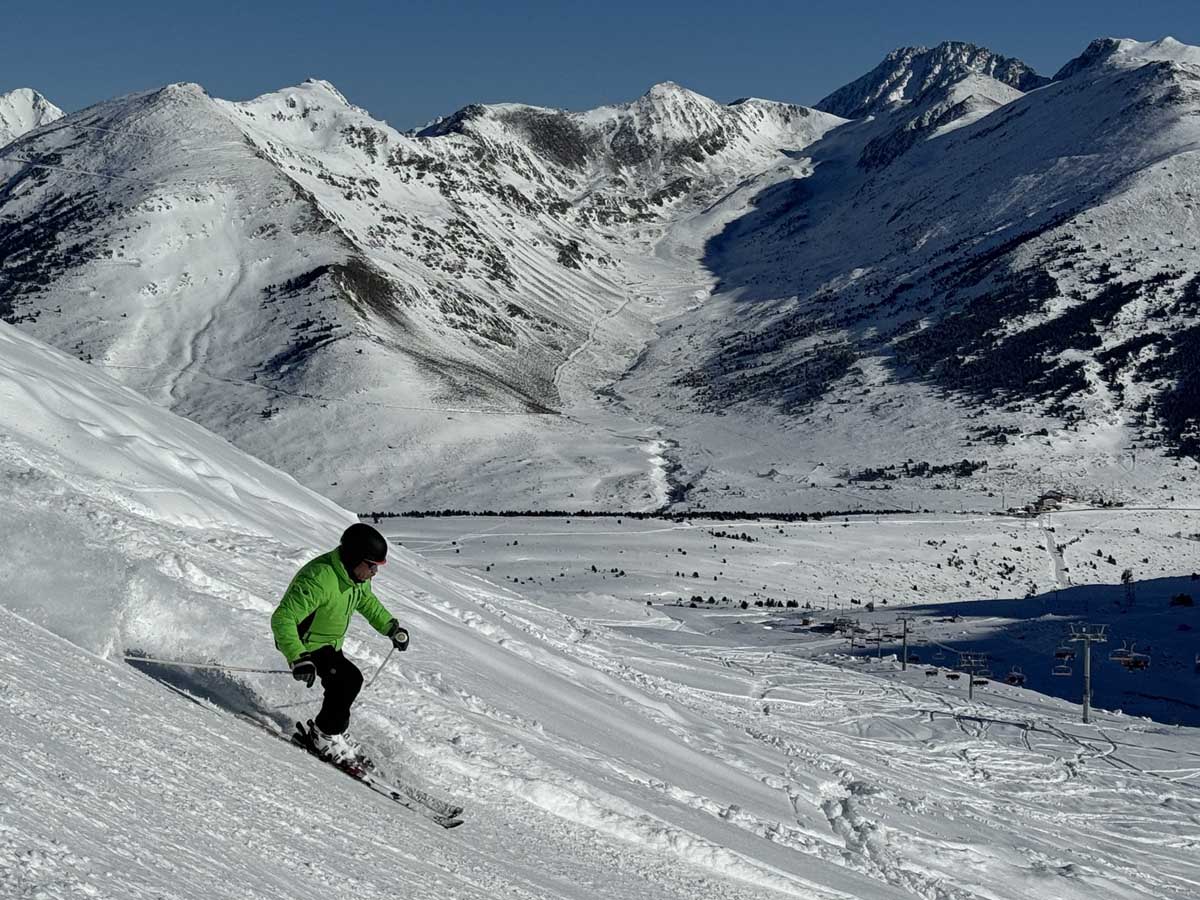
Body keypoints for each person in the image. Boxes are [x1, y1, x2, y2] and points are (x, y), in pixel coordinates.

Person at [271, 522, 409, 764]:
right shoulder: (319, 579)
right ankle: (323, 736)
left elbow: (367, 602)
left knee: (344, 685)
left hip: (329, 643)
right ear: (355, 557)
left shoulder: (356, 577)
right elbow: (283, 618)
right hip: (306, 644)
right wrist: (297, 656)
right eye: (372, 565)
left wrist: (391, 627)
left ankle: (331, 732)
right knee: (348, 680)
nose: (374, 572)